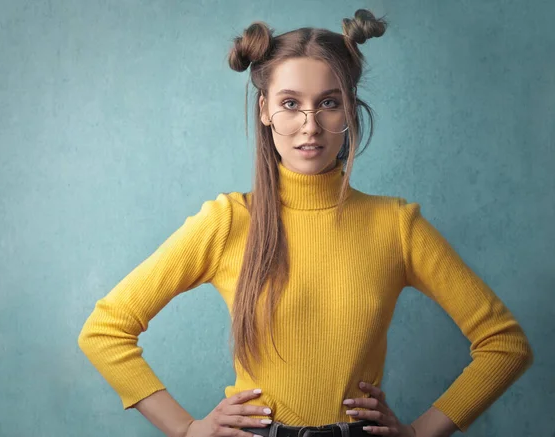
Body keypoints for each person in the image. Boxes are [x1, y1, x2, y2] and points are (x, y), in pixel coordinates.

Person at [78, 9, 534, 437]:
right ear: (264, 110)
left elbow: (504, 345)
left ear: (350, 110)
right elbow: (106, 329)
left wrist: (418, 431)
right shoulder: (227, 222)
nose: (310, 125)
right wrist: (187, 428)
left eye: (328, 102)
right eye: (291, 103)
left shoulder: (397, 226)